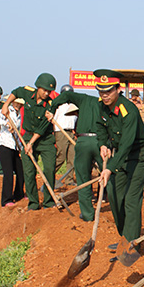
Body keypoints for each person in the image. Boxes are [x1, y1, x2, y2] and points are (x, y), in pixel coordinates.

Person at [94, 70, 144, 246]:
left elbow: (127, 143)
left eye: (108, 91)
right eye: (101, 91)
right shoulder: (101, 106)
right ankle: (124, 236)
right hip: (120, 154)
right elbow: (100, 125)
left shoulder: (129, 111)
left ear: (118, 89)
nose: (104, 95)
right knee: (115, 195)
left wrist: (110, 168)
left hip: (138, 155)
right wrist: (103, 143)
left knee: (131, 199)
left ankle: (131, 244)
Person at [1, 73, 57, 210]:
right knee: (29, 171)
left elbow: (42, 127)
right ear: (38, 87)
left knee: (49, 169)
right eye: (44, 90)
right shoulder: (27, 93)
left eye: (49, 91)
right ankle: (33, 203)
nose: (46, 93)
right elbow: (15, 92)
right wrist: (6, 105)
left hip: (45, 139)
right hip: (28, 137)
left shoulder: (50, 104)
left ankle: (49, 202)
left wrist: (31, 143)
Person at [48, 88, 103, 222]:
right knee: (110, 174)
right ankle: (118, 209)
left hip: (84, 141)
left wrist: (51, 109)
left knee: (83, 178)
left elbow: (66, 95)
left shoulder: (83, 99)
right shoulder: (104, 103)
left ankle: (88, 214)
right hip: (101, 142)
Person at [0, 98, 25, 207]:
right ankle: (6, 199)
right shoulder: (6, 111)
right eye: (17, 103)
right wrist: (6, 123)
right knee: (8, 173)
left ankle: (19, 194)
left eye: (20, 104)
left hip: (15, 146)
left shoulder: (19, 114)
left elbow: (17, 133)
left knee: (21, 171)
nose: (18, 105)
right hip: (5, 145)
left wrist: (21, 148)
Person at [52, 84, 77, 181]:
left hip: (71, 132)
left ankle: (69, 179)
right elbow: (53, 119)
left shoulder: (74, 106)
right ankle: (50, 175)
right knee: (61, 156)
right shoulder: (58, 105)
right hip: (61, 132)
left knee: (72, 157)